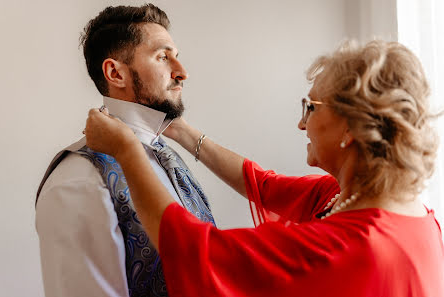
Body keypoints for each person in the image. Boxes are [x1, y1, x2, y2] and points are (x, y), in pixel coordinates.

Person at [85, 40, 444, 297]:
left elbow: (194, 250)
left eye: (311, 107)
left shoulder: (350, 245)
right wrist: (179, 129)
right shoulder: (361, 201)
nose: (302, 124)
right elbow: (262, 184)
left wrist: (126, 149)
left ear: (351, 127)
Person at [35, 4, 215, 297]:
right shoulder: (79, 180)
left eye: (176, 58)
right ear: (115, 73)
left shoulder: (169, 155)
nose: (182, 73)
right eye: (162, 57)